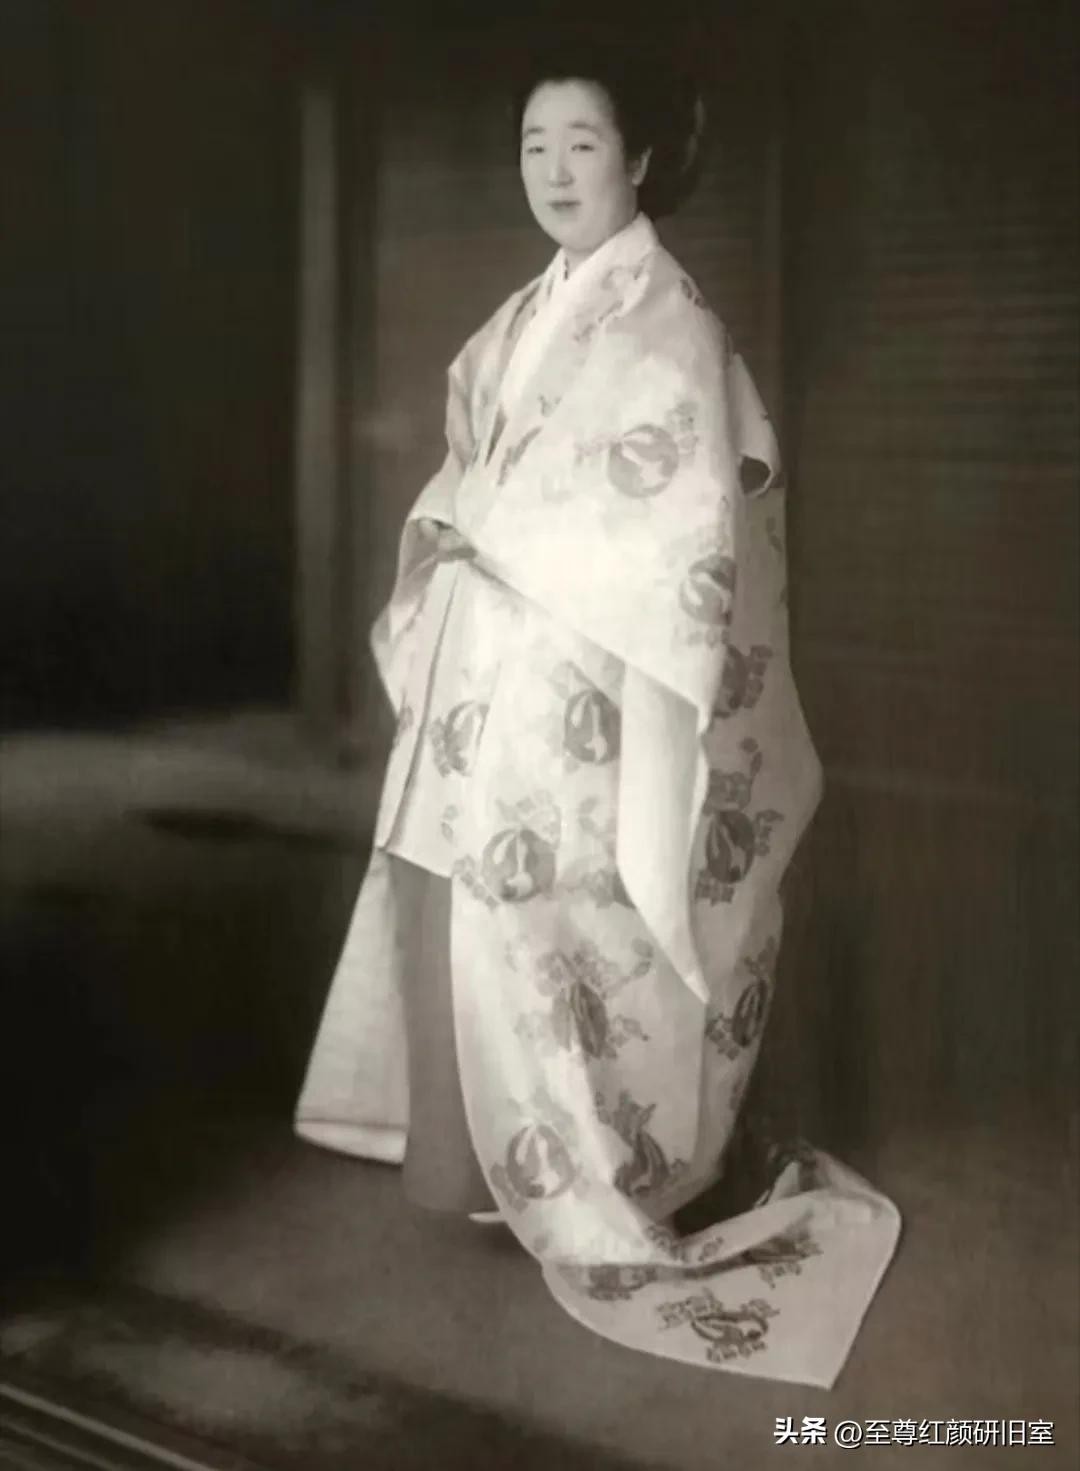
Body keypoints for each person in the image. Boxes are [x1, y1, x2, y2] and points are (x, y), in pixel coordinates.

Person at [296, 34, 900, 1387]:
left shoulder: (669, 326)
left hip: (590, 679)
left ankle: (602, 1172)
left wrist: (502, 538)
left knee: (561, 910)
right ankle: (479, 1172)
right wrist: (457, 532)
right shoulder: (525, 316)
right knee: (452, 890)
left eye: (582, 144)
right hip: (487, 665)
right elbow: (469, 475)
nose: (556, 171)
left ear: (639, 159)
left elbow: (681, 523)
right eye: (535, 146)